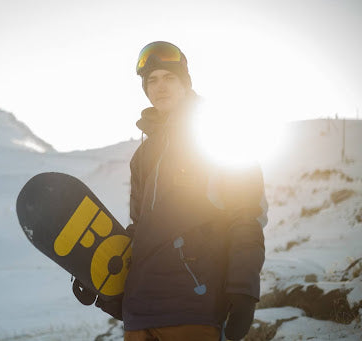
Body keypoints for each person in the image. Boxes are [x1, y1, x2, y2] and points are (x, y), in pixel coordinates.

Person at [75, 41, 267, 341]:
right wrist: (102, 279)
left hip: (194, 306)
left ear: (184, 82)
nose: (159, 86)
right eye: (151, 80)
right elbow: (141, 231)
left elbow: (247, 216)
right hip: (139, 313)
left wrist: (243, 290)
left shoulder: (218, 132)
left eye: (169, 77)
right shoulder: (143, 156)